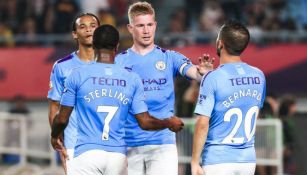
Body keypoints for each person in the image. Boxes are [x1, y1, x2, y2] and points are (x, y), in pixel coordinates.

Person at [50, 24, 184, 175]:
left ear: (93, 44)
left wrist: (55, 136)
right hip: (117, 157)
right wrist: (168, 122)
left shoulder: (77, 75)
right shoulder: (132, 79)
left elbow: (61, 119)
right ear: (117, 46)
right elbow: (145, 122)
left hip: (86, 153)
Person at [115, 2, 213, 175]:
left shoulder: (170, 57)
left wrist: (203, 74)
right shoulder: (118, 62)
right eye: (140, 26)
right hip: (128, 144)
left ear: (155, 25)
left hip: (163, 144)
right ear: (130, 28)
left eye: (149, 25)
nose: (146, 31)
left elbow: (193, 72)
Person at [191, 20, 266, 175]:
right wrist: (211, 76)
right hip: (247, 161)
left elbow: (202, 123)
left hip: (217, 160)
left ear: (220, 44)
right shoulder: (259, 76)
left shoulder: (213, 78)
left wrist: (194, 161)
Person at [47, 13, 100, 173]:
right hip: (74, 145)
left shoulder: (113, 64)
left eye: (93, 26)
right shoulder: (61, 67)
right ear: (75, 34)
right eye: (82, 26)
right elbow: (54, 107)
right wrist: (58, 140)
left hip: (109, 145)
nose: (88, 30)